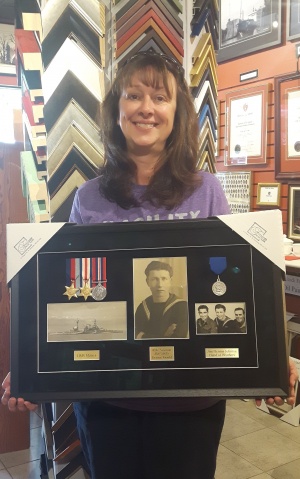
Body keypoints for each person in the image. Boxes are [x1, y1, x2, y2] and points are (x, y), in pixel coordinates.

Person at [1, 51, 298, 479]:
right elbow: (65, 289)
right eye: (134, 95)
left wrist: (270, 356)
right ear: (116, 110)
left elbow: (235, 282)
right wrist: (31, 360)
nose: (146, 107)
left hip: (192, 403)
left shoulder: (207, 191)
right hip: (108, 402)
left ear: (176, 113)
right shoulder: (91, 198)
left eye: (160, 97)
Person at [135, 260, 188, 339]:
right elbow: (136, 336)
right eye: (154, 279)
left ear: (170, 281)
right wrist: (164, 336)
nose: (160, 285)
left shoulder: (182, 306)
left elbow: (179, 338)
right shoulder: (142, 307)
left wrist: (146, 336)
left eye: (164, 279)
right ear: (147, 282)